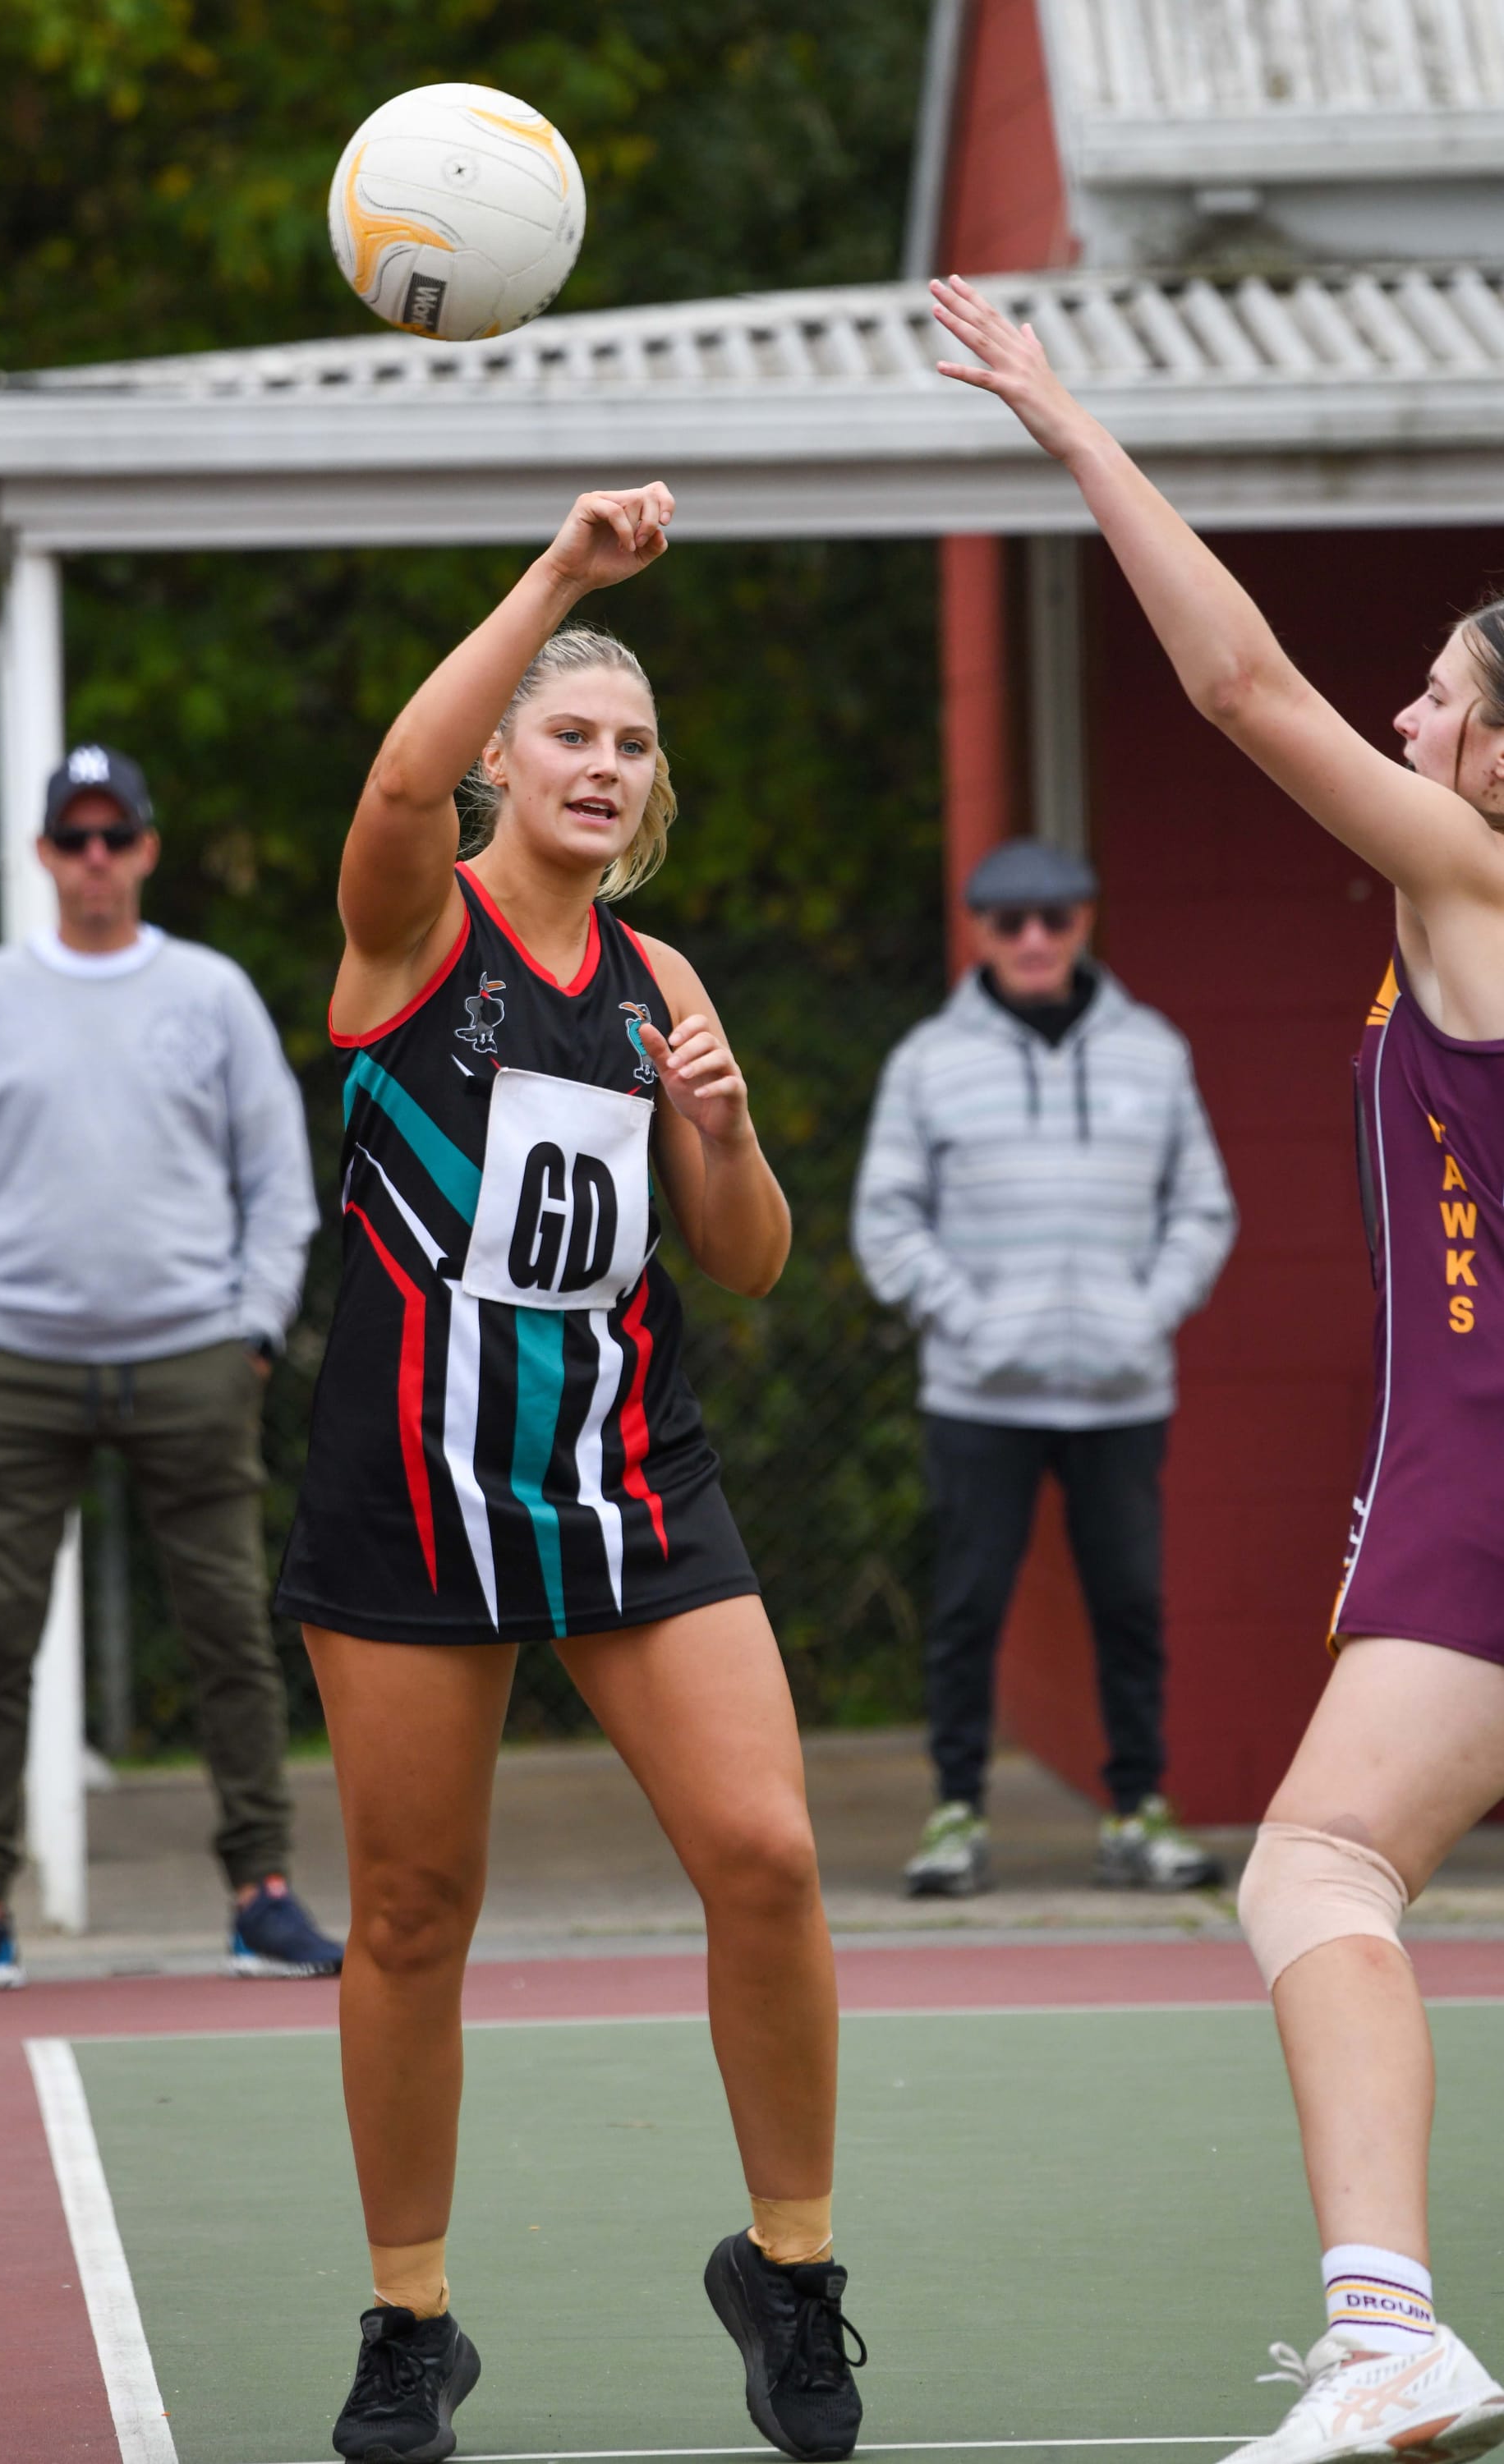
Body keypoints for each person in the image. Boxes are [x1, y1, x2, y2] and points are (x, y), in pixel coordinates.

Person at [927, 271, 1504, 2464]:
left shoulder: (1468, 878)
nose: (1405, 719)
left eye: (1439, 703)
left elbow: (1241, 680)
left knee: (1318, 1871)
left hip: (1485, 1457)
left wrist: (1072, 424)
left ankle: (1389, 2334)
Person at [274, 484, 867, 2464]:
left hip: (628, 1486)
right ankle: (408, 2319)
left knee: (769, 1857)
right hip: (415, 1498)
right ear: (499, 768)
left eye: (630, 745)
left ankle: (789, 2274)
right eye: (569, 733)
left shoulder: (657, 983)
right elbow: (384, 781)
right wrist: (562, 577)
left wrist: (728, 1133)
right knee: (414, 1915)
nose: (602, 765)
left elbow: (750, 1257)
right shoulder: (409, 931)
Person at [0, 742, 341, 1991]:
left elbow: (277, 1182)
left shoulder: (211, 991)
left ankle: (264, 1894)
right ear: (44, 855)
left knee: (230, 1633)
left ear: (144, 849)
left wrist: (254, 1326)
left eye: (114, 837)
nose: (94, 861)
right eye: (72, 839)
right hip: (14, 1366)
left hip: (191, 1359)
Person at [852, 836, 1235, 1897]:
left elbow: (1203, 1207)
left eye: (1054, 918)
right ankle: (955, 1814)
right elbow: (885, 1220)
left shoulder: (1153, 1052)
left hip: (1120, 1393)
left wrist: (1145, 1315)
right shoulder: (929, 1061)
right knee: (970, 1603)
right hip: (980, 1395)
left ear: (1085, 922)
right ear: (979, 930)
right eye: (1011, 921)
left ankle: (1136, 1809)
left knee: (1129, 1602)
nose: (1033, 939)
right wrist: (970, 1322)